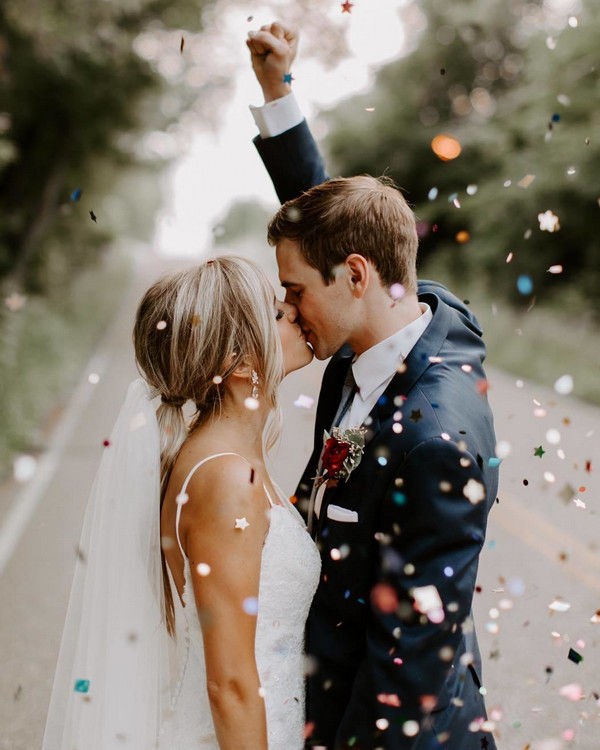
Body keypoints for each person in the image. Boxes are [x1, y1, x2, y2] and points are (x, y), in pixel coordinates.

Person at [247, 24, 499, 750]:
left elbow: (407, 679)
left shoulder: (432, 441)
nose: (287, 311)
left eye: (295, 293)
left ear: (356, 278)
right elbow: (332, 227)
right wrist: (277, 94)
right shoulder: (409, 314)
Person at [42, 256, 320, 750]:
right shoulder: (226, 478)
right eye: (277, 315)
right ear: (238, 363)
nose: (294, 312)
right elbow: (230, 686)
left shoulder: (226, 458)